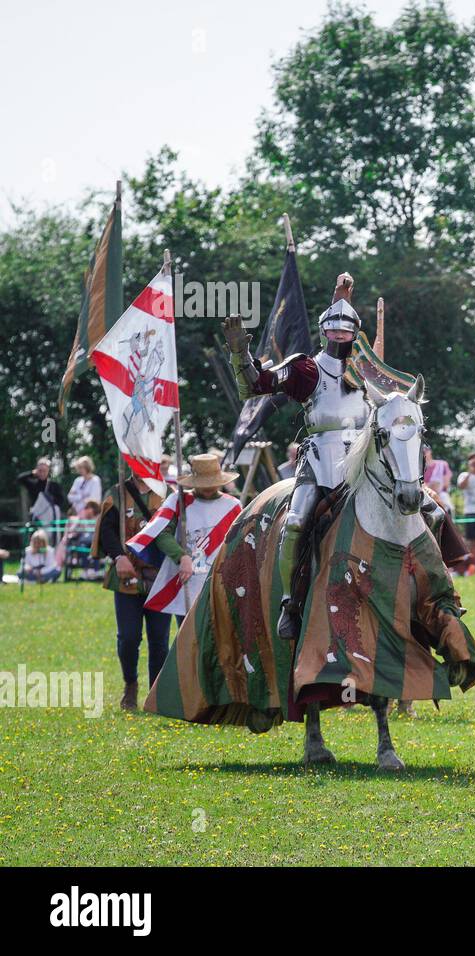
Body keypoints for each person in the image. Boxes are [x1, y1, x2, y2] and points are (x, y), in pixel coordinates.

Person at [224, 272, 375, 640]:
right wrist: (240, 355)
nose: (340, 337)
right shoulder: (308, 367)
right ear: (324, 332)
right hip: (321, 458)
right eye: (334, 331)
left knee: (415, 504)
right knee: (295, 521)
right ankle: (291, 603)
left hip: (365, 457)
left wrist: (341, 295)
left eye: (346, 331)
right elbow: (255, 387)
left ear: (355, 335)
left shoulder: (368, 368)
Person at [128, 453, 242, 622]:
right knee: (188, 637)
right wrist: (181, 557)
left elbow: (240, 543)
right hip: (186, 580)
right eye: (204, 483)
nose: (209, 487)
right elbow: (161, 533)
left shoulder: (233, 506)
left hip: (220, 581)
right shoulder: (178, 500)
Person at [94, 470, 168, 709]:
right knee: (128, 637)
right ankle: (130, 684)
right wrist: (118, 557)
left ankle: (156, 693)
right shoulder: (117, 494)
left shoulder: (166, 493)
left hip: (159, 577)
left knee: (159, 640)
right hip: (127, 576)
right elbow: (107, 530)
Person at [17, 458, 66, 535]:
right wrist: (32, 473)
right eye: (40, 470)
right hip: (36, 519)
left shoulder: (54, 485)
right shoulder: (33, 484)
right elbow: (20, 478)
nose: (42, 473)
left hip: (50, 520)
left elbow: (61, 501)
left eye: (44, 470)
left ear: (48, 471)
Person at [423, 448, 454, 517]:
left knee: (446, 508)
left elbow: (446, 484)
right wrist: (432, 486)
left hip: (441, 497)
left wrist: (428, 486)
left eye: (425, 451)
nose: (423, 453)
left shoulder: (442, 464)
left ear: (430, 451)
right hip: (425, 497)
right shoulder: (418, 468)